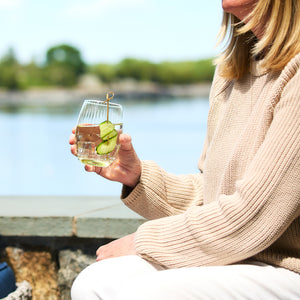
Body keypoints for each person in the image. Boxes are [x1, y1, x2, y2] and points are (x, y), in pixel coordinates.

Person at [69, 0, 300, 299]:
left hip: (289, 269)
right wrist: (138, 178)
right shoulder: (232, 73)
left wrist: (144, 240)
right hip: (239, 258)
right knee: (93, 283)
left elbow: (251, 218)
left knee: (147, 294)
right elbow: (214, 196)